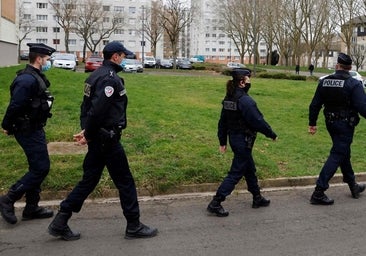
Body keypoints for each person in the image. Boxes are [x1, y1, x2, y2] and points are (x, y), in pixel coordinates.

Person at [48, 41, 157, 240]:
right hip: (107, 139)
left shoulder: (94, 76)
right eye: (123, 56)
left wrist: (86, 130)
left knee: (89, 180)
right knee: (125, 181)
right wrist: (88, 134)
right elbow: (97, 111)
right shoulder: (109, 79)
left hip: (98, 138)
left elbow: (85, 108)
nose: (124, 59)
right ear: (115, 56)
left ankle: (60, 220)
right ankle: (133, 225)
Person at [207, 68, 278, 217]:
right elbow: (258, 121)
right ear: (241, 82)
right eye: (248, 79)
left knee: (249, 168)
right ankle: (216, 202)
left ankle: (257, 197)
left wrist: (222, 141)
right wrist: (271, 134)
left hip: (235, 139)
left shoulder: (229, 98)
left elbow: (223, 122)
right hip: (244, 141)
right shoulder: (245, 101)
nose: (250, 82)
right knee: (236, 172)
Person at [0, 43, 56, 224]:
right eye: (47, 59)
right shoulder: (26, 80)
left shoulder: (34, 76)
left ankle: (32, 207)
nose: (49, 62)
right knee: (41, 168)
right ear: (39, 59)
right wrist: (6, 124)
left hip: (34, 127)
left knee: (37, 167)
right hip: (27, 130)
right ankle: (8, 199)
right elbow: (16, 105)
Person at [308, 53, 366, 205]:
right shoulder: (353, 84)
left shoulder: (324, 82)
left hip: (330, 123)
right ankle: (318, 192)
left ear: (337, 66)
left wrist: (312, 123)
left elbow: (314, 104)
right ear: (350, 68)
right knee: (338, 153)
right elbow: (363, 107)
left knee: (343, 152)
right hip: (345, 124)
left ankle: (353, 186)